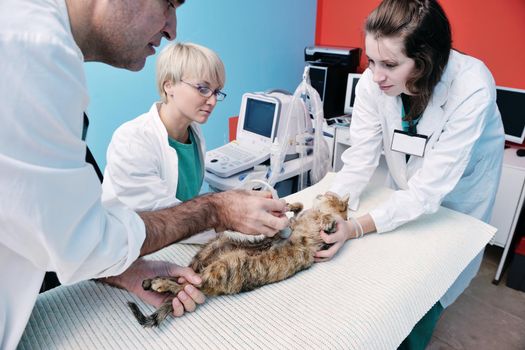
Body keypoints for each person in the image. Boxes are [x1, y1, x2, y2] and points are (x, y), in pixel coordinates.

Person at [0, 0, 288, 349]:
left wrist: (128, 270)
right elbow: (81, 241)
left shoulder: (35, 42)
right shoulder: (31, 48)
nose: (172, 29)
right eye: (168, 3)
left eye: (216, 91)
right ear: (169, 86)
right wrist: (216, 209)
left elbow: (55, 220)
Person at [315, 0, 504, 348]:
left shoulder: (472, 86)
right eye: (370, 61)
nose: (375, 75)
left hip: (461, 191)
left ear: (426, 61)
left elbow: (427, 192)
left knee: (428, 284)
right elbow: (360, 158)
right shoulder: (374, 84)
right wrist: (328, 207)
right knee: (392, 260)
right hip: (412, 180)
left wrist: (355, 227)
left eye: (389, 64)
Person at [102, 41, 225, 244]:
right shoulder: (132, 140)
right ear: (169, 85)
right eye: (203, 89)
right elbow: (160, 216)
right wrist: (225, 217)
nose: (212, 101)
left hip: (177, 242)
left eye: (216, 92)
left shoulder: (194, 132)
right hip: (132, 249)